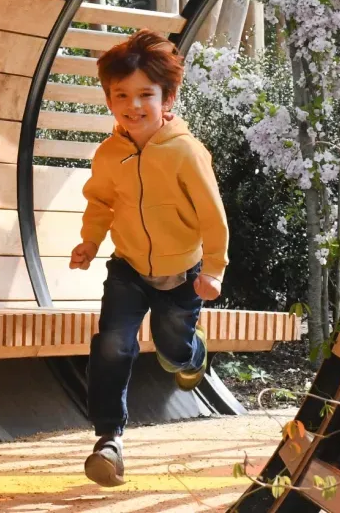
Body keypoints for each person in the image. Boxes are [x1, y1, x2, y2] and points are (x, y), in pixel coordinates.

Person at [69, 30, 231, 487]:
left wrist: (214, 271)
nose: (133, 105)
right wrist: (89, 242)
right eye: (121, 94)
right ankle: (108, 441)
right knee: (112, 345)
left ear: (168, 97)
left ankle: (191, 356)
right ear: (108, 98)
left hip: (183, 273)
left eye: (145, 94)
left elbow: (213, 217)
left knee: (171, 348)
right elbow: (100, 201)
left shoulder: (185, 152)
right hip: (129, 268)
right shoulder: (109, 153)